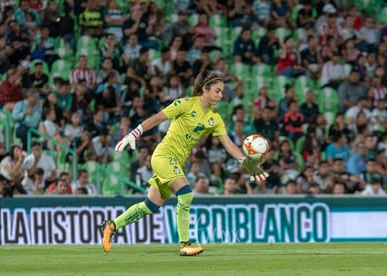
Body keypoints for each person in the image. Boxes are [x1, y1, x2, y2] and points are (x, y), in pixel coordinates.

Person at [99, 71, 269, 255]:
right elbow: (158, 118)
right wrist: (134, 133)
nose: (221, 95)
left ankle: (111, 225)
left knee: (151, 205)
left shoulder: (215, 119)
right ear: (205, 89)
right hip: (164, 155)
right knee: (186, 194)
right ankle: (185, 244)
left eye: (222, 92)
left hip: (177, 162)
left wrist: (248, 164)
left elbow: (228, 145)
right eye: (217, 91)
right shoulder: (185, 104)